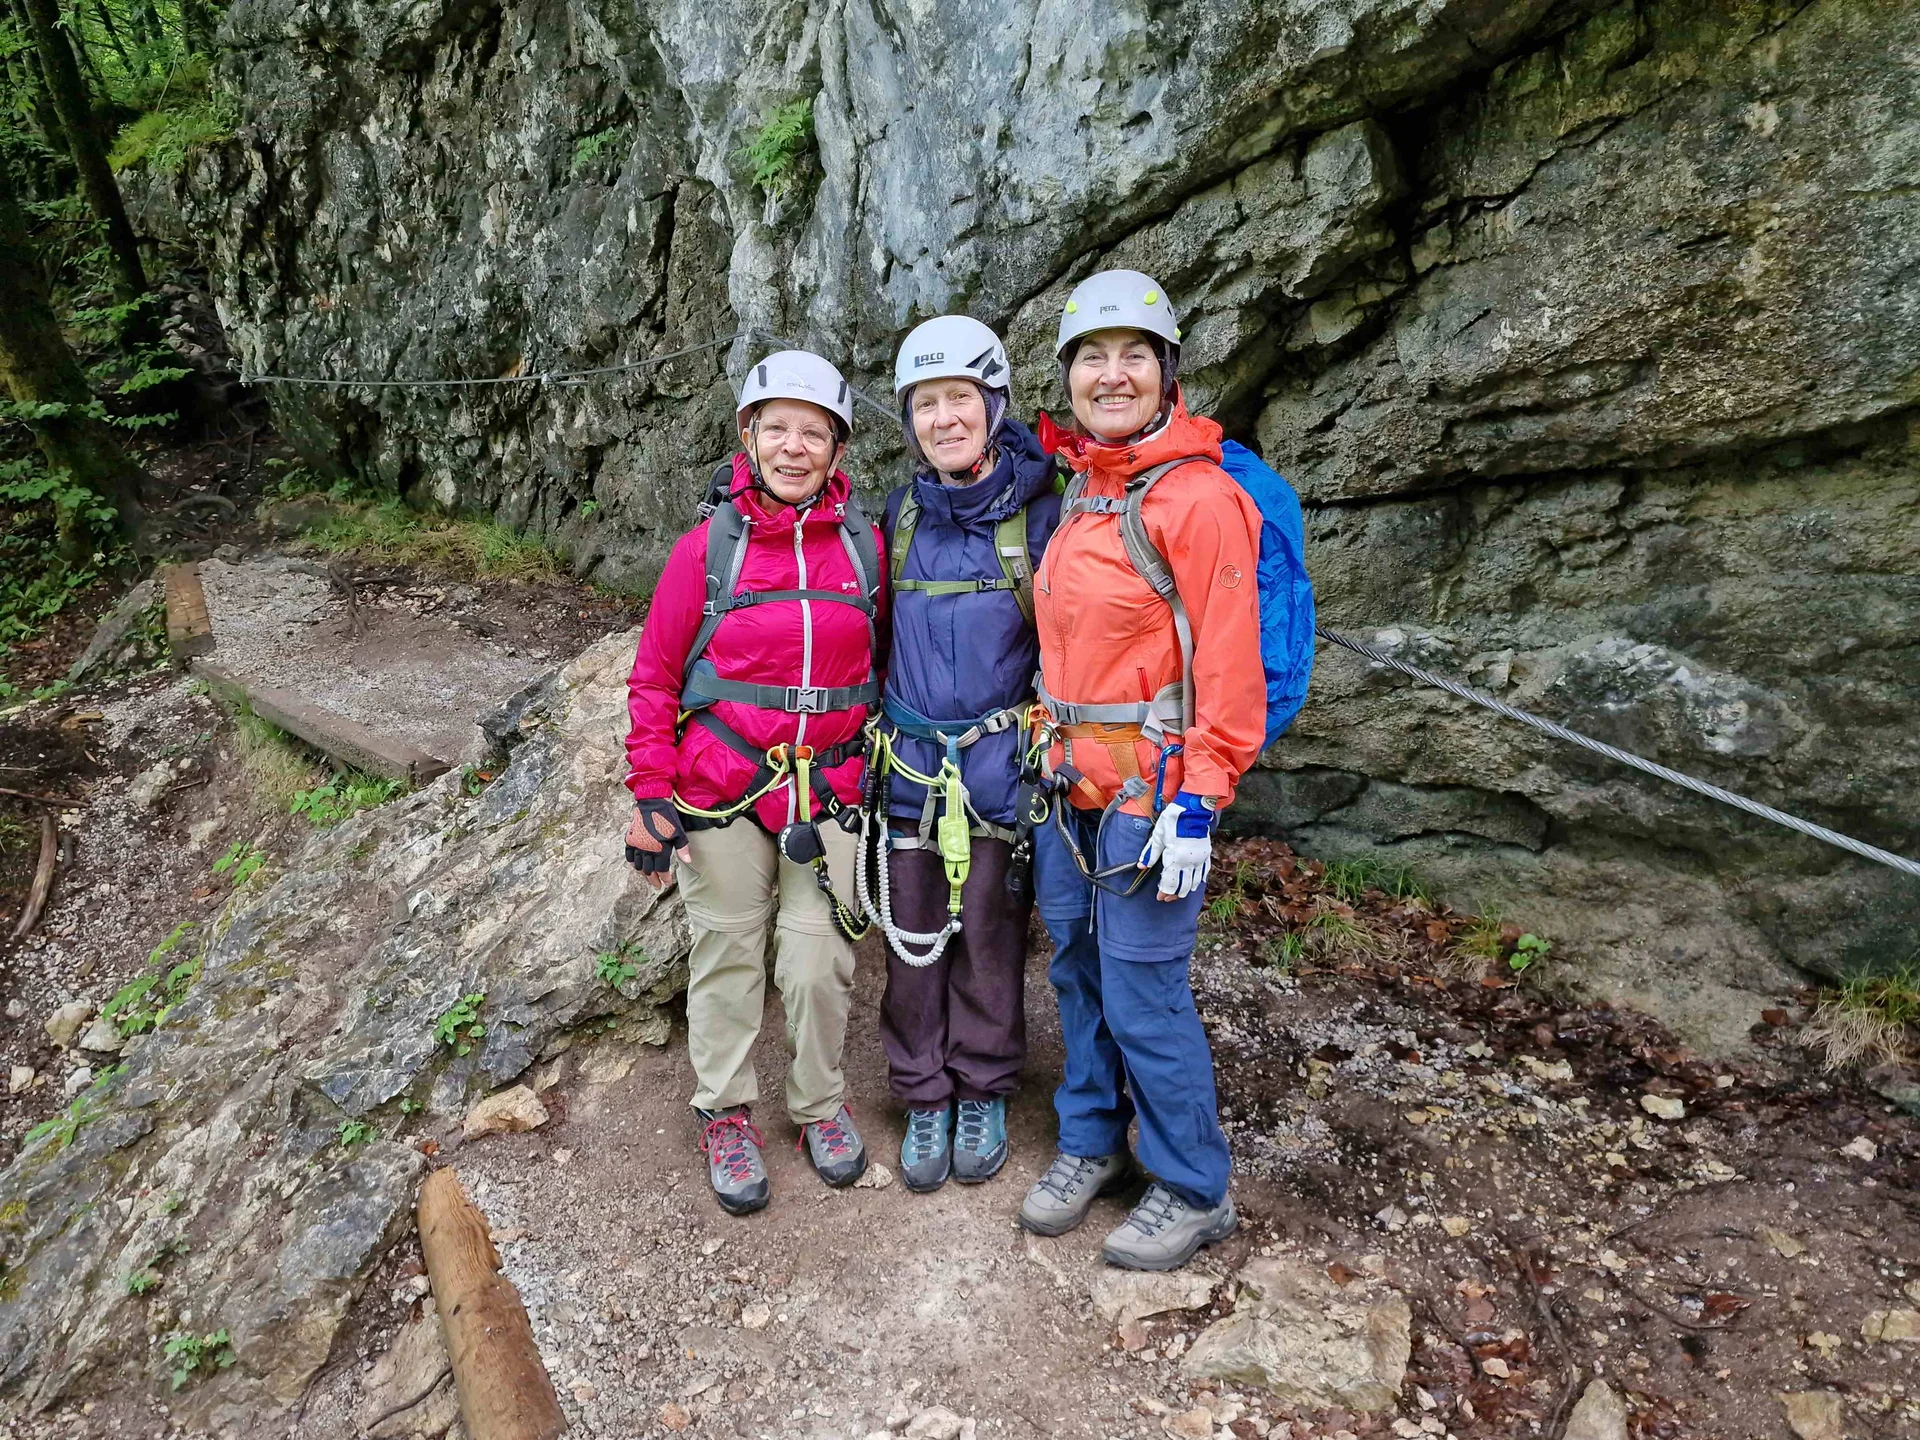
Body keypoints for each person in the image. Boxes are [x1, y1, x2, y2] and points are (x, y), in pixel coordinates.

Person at [1016, 270, 1265, 1270]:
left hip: (1151, 795)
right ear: (1069, 375)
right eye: (1091, 357)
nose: (1110, 375)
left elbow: (1230, 666)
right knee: (1078, 973)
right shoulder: (1086, 488)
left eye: (1133, 355)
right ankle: (1090, 1144)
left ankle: (1194, 1184)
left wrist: (1203, 800)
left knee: (1144, 990)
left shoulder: (1198, 499)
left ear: (1168, 372)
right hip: (1069, 787)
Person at [623, 350, 885, 1216]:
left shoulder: (864, 548)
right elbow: (656, 677)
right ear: (750, 436)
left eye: (814, 431)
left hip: (832, 788)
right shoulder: (710, 550)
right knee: (728, 949)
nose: (794, 446)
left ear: (837, 448)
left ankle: (816, 1105)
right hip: (722, 784)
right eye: (777, 427)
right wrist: (651, 794)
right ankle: (726, 1111)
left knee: (818, 960)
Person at [864, 315, 1061, 1192]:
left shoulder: (1040, 513)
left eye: (960, 400)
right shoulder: (901, 514)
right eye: (927, 404)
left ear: (994, 404)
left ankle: (982, 1087)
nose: (945, 419)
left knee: (988, 936)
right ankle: (922, 1091)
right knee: (911, 938)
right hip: (909, 764)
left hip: (998, 765)